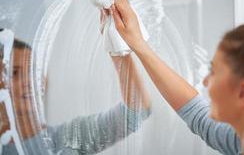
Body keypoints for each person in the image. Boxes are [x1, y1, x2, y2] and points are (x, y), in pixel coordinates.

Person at [110, 0, 244, 155]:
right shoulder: (243, 142)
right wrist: (138, 44)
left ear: (243, 93)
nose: (206, 81)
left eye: (214, 72)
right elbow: (195, 112)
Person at [0, 20, 151, 154]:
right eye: (14, 72)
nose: (30, 81)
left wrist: (118, 49)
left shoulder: (66, 141)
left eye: (33, 70)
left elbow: (136, 113)